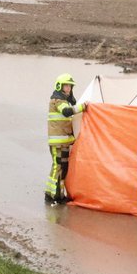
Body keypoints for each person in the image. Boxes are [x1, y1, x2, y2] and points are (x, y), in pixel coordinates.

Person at [45, 73, 87, 204]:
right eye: (66, 86)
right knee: (58, 167)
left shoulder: (64, 101)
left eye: (70, 86)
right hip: (57, 143)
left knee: (62, 167)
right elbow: (67, 112)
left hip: (64, 142)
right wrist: (82, 107)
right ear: (60, 86)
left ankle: (55, 193)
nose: (68, 88)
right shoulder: (57, 101)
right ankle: (54, 195)